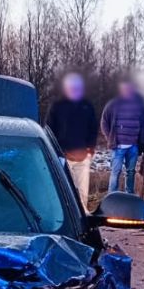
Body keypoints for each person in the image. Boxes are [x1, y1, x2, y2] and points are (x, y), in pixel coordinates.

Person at [45, 73, 97, 209]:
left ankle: (83, 216)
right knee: (63, 190)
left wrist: (90, 147)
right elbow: (50, 130)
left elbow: (93, 128)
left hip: (82, 156)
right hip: (62, 156)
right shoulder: (57, 106)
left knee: (82, 191)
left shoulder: (87, 106)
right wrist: (55, 151)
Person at [100, 79, 144, 194]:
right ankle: (112, 196)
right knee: (115, 171)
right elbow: (103, 122)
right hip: (118, 147)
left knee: (131, 171)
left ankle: (129, 195)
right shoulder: (113, 104)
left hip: (133, 146)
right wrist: (109, 137)